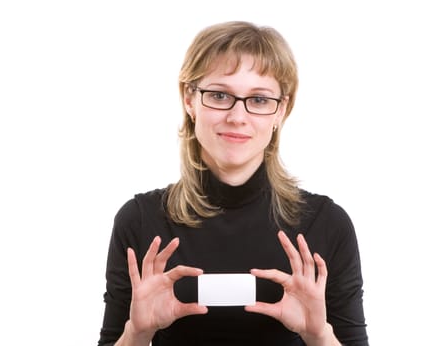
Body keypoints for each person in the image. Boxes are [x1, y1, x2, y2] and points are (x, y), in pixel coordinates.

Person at [98, 20, 368, 346]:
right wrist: (137, 334)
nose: (237, 117)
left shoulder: (326, 224)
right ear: (189, 99)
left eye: (259, 100)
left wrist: (318, 335)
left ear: (281, 110)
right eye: (219, 95)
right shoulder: (140, 221)